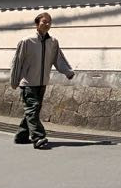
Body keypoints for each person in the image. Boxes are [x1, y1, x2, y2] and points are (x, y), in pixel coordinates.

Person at [9, 12, 75, 148]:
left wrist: (68, 72)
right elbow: (17, 62)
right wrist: (14, 81)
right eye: (44, 21)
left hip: (42, 82)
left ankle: (21, 136)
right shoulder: (26, 41)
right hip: (28, 83)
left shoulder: (53, 42)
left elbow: (58, 58)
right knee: (32, 110)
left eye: (49, 22)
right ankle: (38, 137)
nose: (47, 24)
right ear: (37, 24)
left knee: (33, 111)